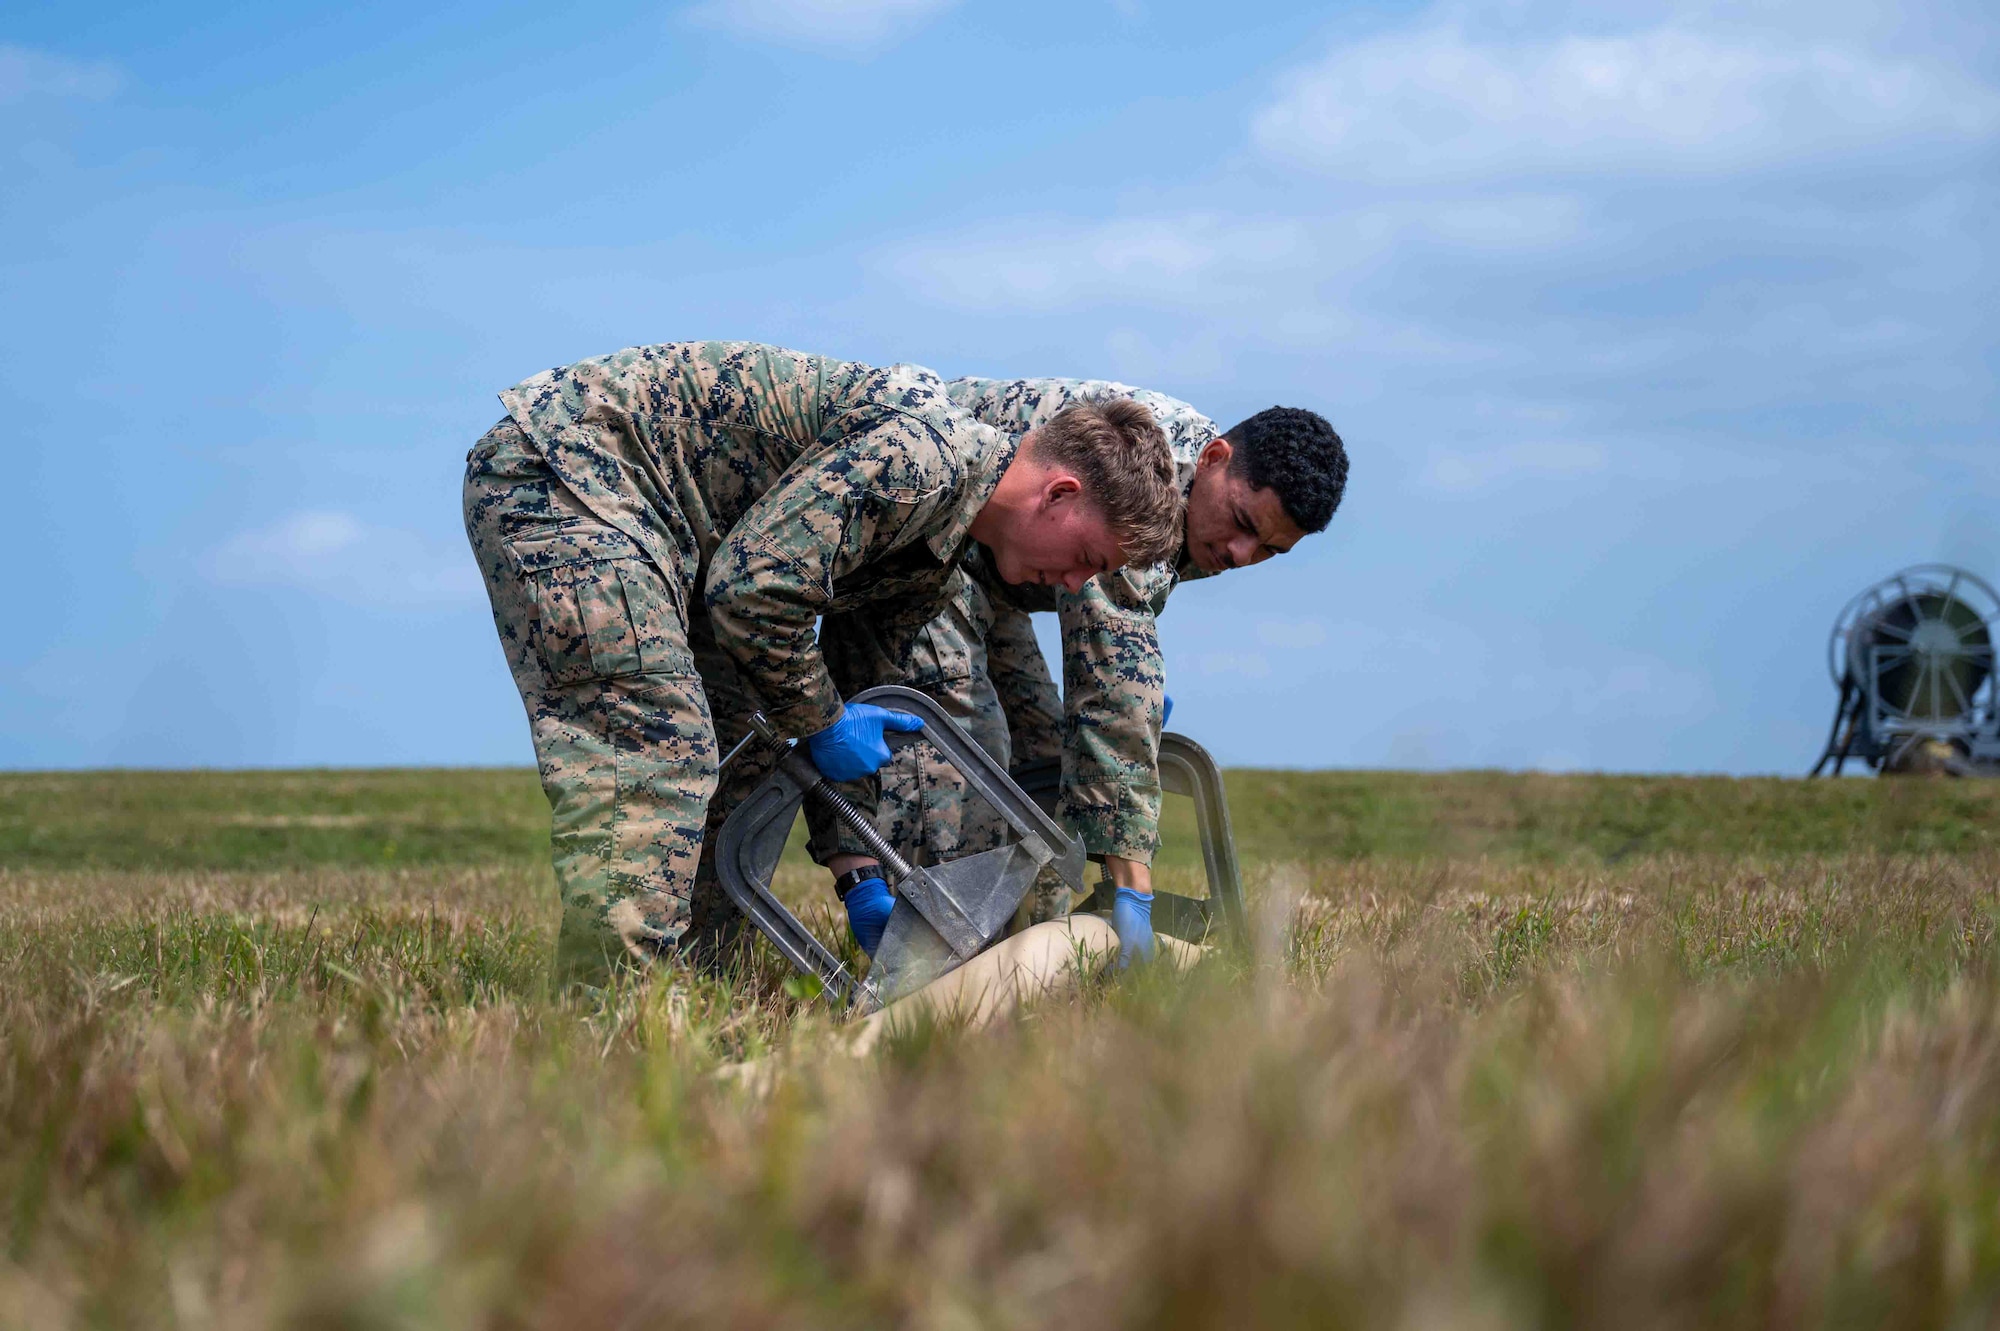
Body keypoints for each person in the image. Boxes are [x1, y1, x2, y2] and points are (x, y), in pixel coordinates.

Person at [463, 343, 1182, 992]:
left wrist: (855, 872)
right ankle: (612, 1024)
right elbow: (753, 593)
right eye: (1088, 559)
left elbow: (845, 692)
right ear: (1059, 495)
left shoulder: (937, 544)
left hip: (684, 540)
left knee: (741, 757)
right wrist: (823, 719)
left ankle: (697, 982)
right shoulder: (923, 462)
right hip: (575, 476)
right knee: (658, 749)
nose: (1073, 586)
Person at [817, 379, 1347, 966]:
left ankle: (1026, 960)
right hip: (914, 544)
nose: (1244, 555)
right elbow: (1115, 674)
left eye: (1270, 550)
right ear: (1214, 458)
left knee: (1049, 763)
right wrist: (1132, 886)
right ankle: (926, 979)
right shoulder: (1154, 481)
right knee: (970, 755)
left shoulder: (1208, 512)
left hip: (995, 575)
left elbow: (1111, 675)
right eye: (1244, 523)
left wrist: (1120, 720)